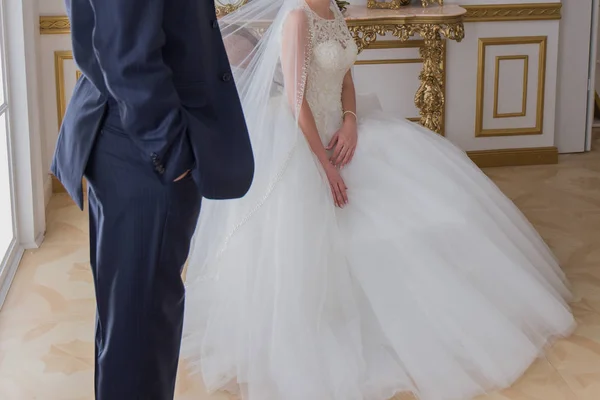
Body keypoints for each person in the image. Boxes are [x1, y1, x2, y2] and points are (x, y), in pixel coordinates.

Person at [181, 0, 575, 399]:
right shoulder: (298, 17)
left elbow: (347, 81)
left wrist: (351, 123)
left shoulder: (333, 10)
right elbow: (296, 102)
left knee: (423, 195)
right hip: (306, 139)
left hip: (341, 129)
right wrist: (324, 164)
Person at [50, 1, 254, 399]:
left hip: (130, 144)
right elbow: (126, 54)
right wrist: (171, 152)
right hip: (143, 153)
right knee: (139, 336)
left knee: (129, 328)